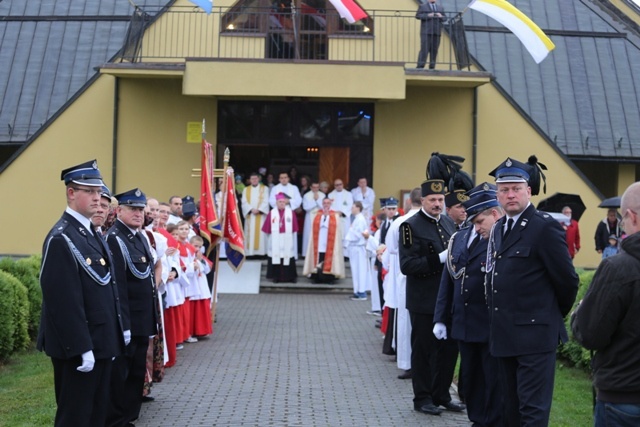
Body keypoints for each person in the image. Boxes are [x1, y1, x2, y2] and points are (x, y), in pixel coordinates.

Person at [485, 157, 579, 426]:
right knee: (510, 411)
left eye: (516, 188)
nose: (510, 194)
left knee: (532, 412)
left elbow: (567, 282)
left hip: (535, 339)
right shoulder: (500, 227)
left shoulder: (543, 226)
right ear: (498, 194)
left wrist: (546, 316)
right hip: (504, 336)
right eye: (504, 189)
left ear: (529, 190)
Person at [37, 160, 124, 427]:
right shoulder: (62, 237)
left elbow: (106, 289)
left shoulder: (89, 231)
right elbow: (63, 302)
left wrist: (113, 336)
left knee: (97, 415)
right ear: (71, 193)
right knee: (75, 416)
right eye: (89, 191)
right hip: (79, 347)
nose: (96, 198)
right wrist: (81, 348)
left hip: (101, 341)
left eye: (98, 192)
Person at [570, 181, 640, 427]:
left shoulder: (618, 269)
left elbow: (590, 334)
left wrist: (579, 312)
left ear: (631, 216)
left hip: (624, 399)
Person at [434, 182, 504, 427]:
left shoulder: (500, 237)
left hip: (487, 322)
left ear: (492, 213)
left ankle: (490, 420)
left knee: (491, 378)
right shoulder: (460, 237)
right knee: (470, 377)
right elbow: (449, 278)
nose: (473, 224)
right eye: (472, 218)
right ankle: (476, 418)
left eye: (478, 219)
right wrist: (440, 317)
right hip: (463, 321)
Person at [399, 179, 463, 416]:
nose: (437, 204)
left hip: (447, 298)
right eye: (432, 200)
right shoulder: (410, 226)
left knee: (448, 351)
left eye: (440, 200)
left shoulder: (447, 222)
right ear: (422, 201)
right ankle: (423, 398)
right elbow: (407, 265)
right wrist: (439, 259)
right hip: (424, 299)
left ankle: (442, 394)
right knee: (424, 350)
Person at [106, 188, 158, 427]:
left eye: (141, 209)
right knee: (122, 373)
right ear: (119, 211)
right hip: (128, 320)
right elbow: (119, 286)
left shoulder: (139, 236)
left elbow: (146, 278)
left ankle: (129, 416)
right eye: (133, 209)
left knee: (137, 371)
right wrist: (124, 323)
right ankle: (118, 419)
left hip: (142, 319)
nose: (139, 214)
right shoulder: (115, 238)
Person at [382, 188, 422, 379]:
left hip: (403, 277)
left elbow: (390, 250)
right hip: (424, 276)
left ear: (408, 202)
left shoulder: (398, 222)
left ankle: (407, 362)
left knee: (406, 323)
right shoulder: (431, 222)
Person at [302, 197, 345, 283]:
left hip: (330, 241)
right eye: (324, 203)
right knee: (319, 258)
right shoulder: (317, 214)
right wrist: (324, 217)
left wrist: (327, 217)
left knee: (328, 258)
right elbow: (314, 226)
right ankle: (317, 277)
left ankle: (329, 278)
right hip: (319, 240)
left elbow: (337, 228)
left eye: (328, 203)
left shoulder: (335, 215)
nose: (326, 205)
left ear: (330, 204)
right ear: (322, 204)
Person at [262, 192, 299, 283]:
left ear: (285, 202)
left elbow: (294, 228)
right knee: (276, 256)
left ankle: (290, 277)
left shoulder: (291, 213)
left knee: (288, 256)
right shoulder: (272, 213)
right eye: (280, 202)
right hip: (276, 237)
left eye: (283, 202)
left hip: (287, 237)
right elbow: (267, 228)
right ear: (276, 203)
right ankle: (276, 277)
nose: (282, 203)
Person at [344, 201, 371, 300]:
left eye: (353, 207)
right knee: (355, 270)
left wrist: (350, 230)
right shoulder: (357, 219)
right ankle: (357, 291)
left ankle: (361, 292)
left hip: (358, 248)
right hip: (354, 248)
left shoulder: (360, 219)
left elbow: (358, 234)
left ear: (358, 208)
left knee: (360, 270)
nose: (351, 209)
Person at [241, 172, 270, 257]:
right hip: (250, 216)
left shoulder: (265, 188)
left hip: (261, 216)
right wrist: (250, 209)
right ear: (250, 180)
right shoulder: (246, 189)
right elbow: (244, 202)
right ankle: (250, 253)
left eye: (255, 178)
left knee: (261, 234)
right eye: (252, 179)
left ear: (259, 179)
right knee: (249, 234)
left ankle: (261, 253)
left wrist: (260, 210)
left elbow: (266, 201)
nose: (254, 180)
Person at [415, 0, 446, 69]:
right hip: (426, 31)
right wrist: (428, 15)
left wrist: (441, 16)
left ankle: (432, 66)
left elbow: (445, 18)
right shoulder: (423, 6)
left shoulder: (440, 8)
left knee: (434, 50)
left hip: (437, 31)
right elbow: (417, 16)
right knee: (424, 49)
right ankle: (420, 65)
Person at [301, 182, 326, 258]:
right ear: (311, 187)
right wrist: (315, 201)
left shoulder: (323, 195)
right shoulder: (306, 195)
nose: (315, 189)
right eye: (314, 187)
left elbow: (324, 207)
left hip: (320, 217)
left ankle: (319, 253)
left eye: (317, 187)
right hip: (309, 217)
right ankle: (306, 254)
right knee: (308, 235)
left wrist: (318, 200)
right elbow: (306, 207)